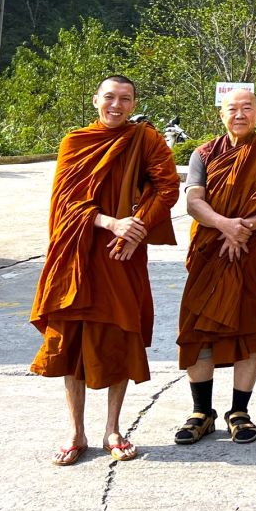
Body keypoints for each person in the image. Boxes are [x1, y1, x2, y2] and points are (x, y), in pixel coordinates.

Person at [30, 75, 180, 465]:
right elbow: (66, 203)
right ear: (95, 99)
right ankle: (76, 430)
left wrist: (136, 228)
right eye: (110, 97)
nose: (117, 105)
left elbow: (167, 188)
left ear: (134, 103)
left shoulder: (145, 140)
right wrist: (111, 223)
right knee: (73, 342)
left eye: (125, 99)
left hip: (121, 256)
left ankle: (113, 427)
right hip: (78, 254)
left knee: (119, 336)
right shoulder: (75, 142)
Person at [173, 88, 256, 447]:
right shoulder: (203, 153)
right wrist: (225, 225)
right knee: (197, 329)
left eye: (247, 108)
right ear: (221, 114)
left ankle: (239, 411)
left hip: (253, 252)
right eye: (233, 109)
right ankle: (202, 412)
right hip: (210, 251)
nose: (240, 115)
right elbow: (194, 201)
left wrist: (246, 228)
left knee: (251, 328)